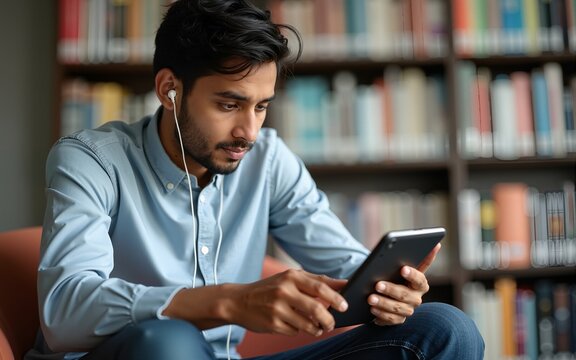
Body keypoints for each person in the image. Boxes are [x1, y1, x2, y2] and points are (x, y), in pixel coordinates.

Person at [27, 0, 484, 359]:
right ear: (170, 88)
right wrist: (228, 302)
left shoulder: (268, 160)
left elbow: (350, 271)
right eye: (229, 104)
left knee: (446, 328)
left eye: (261, 106)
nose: (249, 131)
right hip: (126, 355)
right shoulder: (89, 160)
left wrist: (388, 292)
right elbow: (66, 312)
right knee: (166, 343)